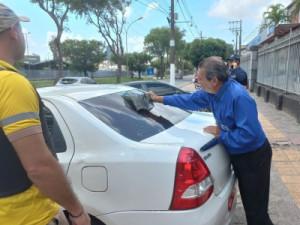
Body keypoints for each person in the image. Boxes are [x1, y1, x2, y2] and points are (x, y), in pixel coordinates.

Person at [147, 56, 274, 225]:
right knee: (250, 202)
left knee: (256, 209)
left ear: (214, 80)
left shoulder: (238, 97)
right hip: (238, 155)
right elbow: (189, 100)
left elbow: (248, 135)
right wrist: (159, 99)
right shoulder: (212, 93)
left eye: (200, 78)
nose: (197, 81)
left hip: (254, 157)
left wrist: (221, 135)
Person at [0, 3, 90, 225]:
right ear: (14, 32)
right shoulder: (10, 84)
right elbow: (38, 167)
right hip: (27, 217)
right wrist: (77, 212)